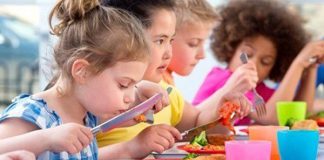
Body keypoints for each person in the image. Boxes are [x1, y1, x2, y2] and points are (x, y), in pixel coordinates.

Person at [0, 0, 156, 159]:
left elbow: (133, 116)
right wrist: (46, 139)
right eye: (124, 85)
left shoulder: (88, 117)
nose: (130, 97)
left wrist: (145, 103)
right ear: (82, 72)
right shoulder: (33, 114)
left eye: (134, 86)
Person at [97, 0, 251, 159]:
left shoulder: (167, 92)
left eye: (171, 41)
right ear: (123, 40)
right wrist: (132, 148)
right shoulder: (99, 98)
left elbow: (200, 127)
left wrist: (222, 111)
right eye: (160, 41)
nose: (168, 53)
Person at [193, 0, 324, 125]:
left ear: (274, 67)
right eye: (247, 54)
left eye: (265, 62)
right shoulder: (225, 79)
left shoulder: (260, 90)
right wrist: (299, 63)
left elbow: (295, 116)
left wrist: (312, 66)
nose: (253, 64)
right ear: (230, 49)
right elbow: (272, 118)